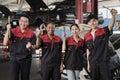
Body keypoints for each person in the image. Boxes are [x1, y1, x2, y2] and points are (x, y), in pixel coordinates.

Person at [84, 9, 117, 80]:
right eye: (90, 22)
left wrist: (113, 16)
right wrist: (89, 64)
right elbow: (88, 50)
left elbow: (111, 25)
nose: (92, 23)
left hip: (104, 62)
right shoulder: (86, 36)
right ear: (88, 23)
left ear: (97, 21)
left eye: (94, 21)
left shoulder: (103, 31)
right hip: (93, 63)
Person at [3, 14, 36, 80]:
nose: (23, 23)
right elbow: (5, 43)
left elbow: (33, 48)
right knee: (14, 78)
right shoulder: (13, 31)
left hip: (26, 60)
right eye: (22, 21)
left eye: (25, 21)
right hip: (14, 59)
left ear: (28, 23)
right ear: (19, 21)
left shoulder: (32, 33)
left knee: (25, 78)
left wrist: (30, 47)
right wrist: (8, 30)